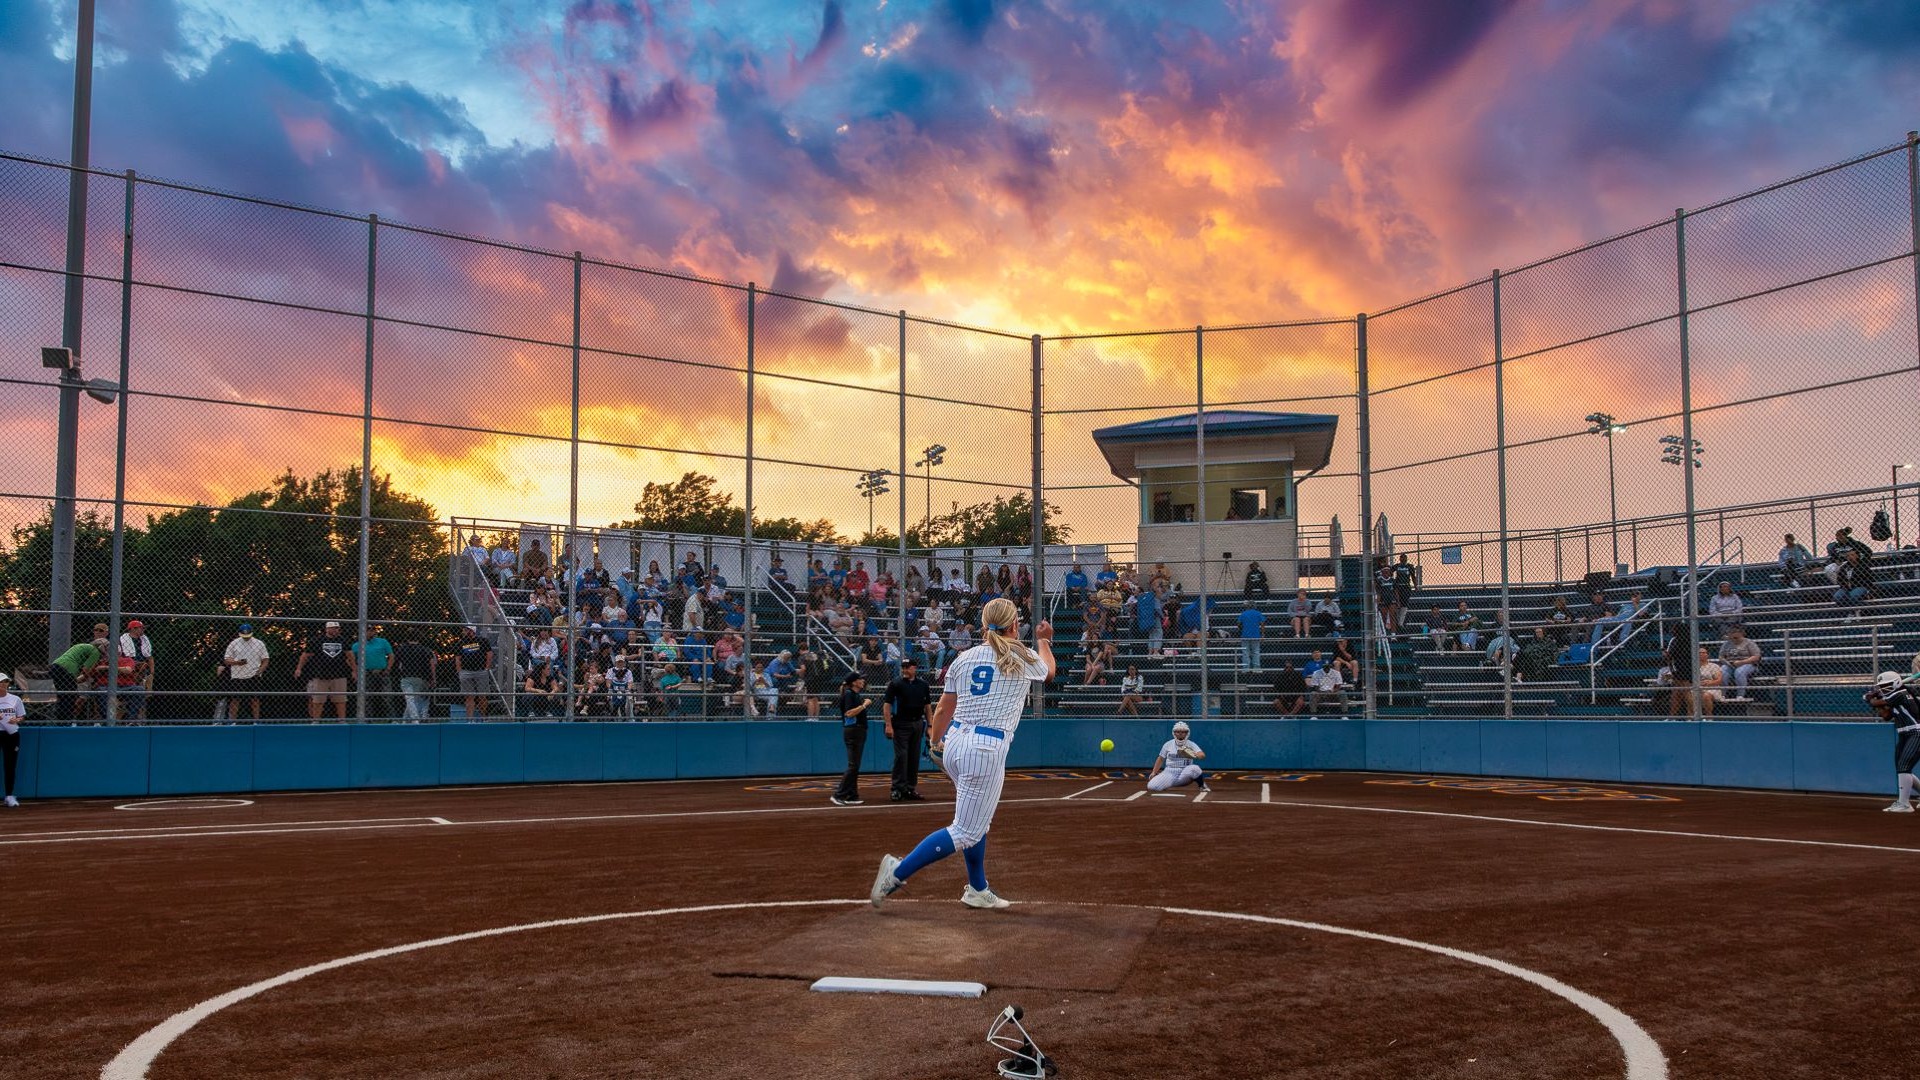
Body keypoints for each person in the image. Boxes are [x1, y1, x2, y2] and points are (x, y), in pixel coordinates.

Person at [870, 597, 1055, 912]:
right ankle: (897, 872)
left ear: (983, 627)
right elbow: (1049, 672)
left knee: (975, 821)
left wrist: (934, 742)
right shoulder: (1022, 655)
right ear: (1014, 626)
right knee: (966, 830)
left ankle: (978, 887)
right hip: (985, 749)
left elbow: (943, 707)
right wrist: (1043, 641)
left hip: (956, 742)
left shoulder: (963, 657)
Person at [1865, 671, 1920, 812]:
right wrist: (1875, 702)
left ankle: (1904, 804)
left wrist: (1870, 698)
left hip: (1916, 732)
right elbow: (1886, 716)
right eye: (1882, 686)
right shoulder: (1893, 696)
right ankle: (1904, 802)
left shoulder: (1901, 693)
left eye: (1888, 686)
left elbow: (1880, 701)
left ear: (1896, 683)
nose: (1885, 689)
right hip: (1904, 733)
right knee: (1901, 768)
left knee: (1904, 765)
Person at [884, 658, 932, 802]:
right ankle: (897, 788)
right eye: (903, 667)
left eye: (907, 667)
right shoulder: (896, 684)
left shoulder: (923, 685)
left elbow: (928, 707)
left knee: (913, 757)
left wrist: (930, 725)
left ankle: (910, 788)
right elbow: (887, 705)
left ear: (914, 668)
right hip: (901, 724)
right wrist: (888, 725)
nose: (905, 670)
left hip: (917, 723)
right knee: (901, 757)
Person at [295, 620, 355, 720]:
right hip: (320, 675)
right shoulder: (318, 640)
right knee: (318, 700)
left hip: (339, 674)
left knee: (340, 700)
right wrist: (299, 668)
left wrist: (354, 670)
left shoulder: (343, 641)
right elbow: (305, 655)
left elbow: (350, 656)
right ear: (327, 629)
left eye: (337, 628)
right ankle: (316, 721)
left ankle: (342, 721)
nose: (336, 630)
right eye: (333, 628)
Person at [831, 674, 873, 806]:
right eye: (860, 679)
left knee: (855, 766)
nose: (863, 681)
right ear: (854, 682)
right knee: (853, 765)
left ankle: (852, 795)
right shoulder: (849, 694)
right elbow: (848, 713)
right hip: (853, 731)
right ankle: (839, 794)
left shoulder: (853, 694)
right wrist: (864, 705)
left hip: (857, 730)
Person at [215, 623, 270, 721]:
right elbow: (226, 660)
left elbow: (266, 659)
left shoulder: (259, 643)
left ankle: (256, 722)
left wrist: (260, 670)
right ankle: (232, 722)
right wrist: (237, 662)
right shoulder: (234, 643)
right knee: (235, 699)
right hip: (237, 675)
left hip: (254, 675)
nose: (246, 638)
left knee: (255, 699)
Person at [48, 635, 105, 723]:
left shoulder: (83, 645)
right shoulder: (95, 652)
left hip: (55, 666)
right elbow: (85, 669)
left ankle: (59, 720)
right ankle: (66, 721)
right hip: (68, 670)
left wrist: (76, 680)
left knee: (63, 695)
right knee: (70, 697)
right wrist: (87, 677)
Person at [1146, 720, 1209, 792]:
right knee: (1151, 786)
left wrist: (1194, 754)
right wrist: (1154, 772)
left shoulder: (1190, 744)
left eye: (1183, 732)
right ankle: (1165, 783)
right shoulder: (1168, 744)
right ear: (1174, 733)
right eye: (1178, 732)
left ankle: (1202, 786)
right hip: (1169, 773)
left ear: (1187, 733)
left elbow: (1202, 755)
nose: (1180, 734)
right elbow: (1160, 758)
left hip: (1184, 774)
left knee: (1195, 768)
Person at [353, 625, 395, 719]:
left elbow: (391, 655)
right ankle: (366, 719)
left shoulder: (382, 642)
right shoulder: (357, 645)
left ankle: (391, 719)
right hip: (366, 673)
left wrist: (388, 668)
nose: (371, 632)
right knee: (366, 697)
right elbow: (350, 659)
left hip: (382, 672)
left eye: (372, 630)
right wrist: (355, 670)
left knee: (386, 696)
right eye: (368, 630)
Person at [117, 620, 155, 722]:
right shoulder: (122, 640)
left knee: (143, 696)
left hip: (143, 670)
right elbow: (120, 656)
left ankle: (139, 719)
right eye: (140, 628)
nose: (143, 630)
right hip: (129, 670)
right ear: (133, 629)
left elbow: (150, 657)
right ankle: (123, 719)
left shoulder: (144, 640)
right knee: (125, 698)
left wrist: (151, 672)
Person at [394, 636, 438, 721]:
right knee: (413, 699)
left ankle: (415, 719)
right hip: (420, 677)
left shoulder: (403, 649)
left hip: (408, 676)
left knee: (411, 698)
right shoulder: (425, 650)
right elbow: (432, 665)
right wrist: (432, 678)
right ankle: (405, 720)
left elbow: (398, 664)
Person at [455, 625, 494, 719]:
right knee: (469, 697)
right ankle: (470, 719)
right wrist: (459, 671)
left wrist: (486, 668)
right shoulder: (461, 643)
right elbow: (457, 658)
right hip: (466, 671)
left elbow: (489, 654)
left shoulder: (482, 641)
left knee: (482, 696)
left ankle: (483, 717)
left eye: (465, 630)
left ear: (471, 631)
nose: (463, 632)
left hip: (480, 671)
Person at [1719, 626, 1761, 701]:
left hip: (1748, 664)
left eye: (1736, 638)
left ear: (1742, 634)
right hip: (1730, 664)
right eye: (1731, 638)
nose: (1733, 640)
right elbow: (1721, 657)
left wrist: (1742, 662)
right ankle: (1722, 694)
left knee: (1739, 672)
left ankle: (1740, 695)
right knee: (1722, 671)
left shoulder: (1749, 642)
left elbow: (1756, 656)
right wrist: (1727, 662)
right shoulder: (1726, 644)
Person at [0, 674, 22, 807]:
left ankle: (9, 796)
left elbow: (21, 716)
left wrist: (16, 720)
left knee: (10, 765)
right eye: (1, 682)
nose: (3, 684)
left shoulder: (15, 699)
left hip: (11, 735)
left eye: (6, 681)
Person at [1695, 646, 1726, 718]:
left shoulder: (1713, 666)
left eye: (1703, 653)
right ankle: (1692, 716)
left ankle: (1709, 716)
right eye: (1699, 653)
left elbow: (1719, 680)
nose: (1701, 654)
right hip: (1697, 687)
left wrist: (1709, 683)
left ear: (1707, 655)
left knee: (1706, 695)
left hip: (1712, 688)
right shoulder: (1693, 667)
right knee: (1688, 694)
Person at [1237, 603, 1266, 669]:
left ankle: (1246, 668)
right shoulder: (1258, 613)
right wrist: (1263, 634)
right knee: (1256, 652)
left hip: (1245, 635)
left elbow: (1238, 624)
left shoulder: (1244, 613)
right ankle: (1256, 668)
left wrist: (1242, 629)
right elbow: (1262, 624)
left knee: (1245, 652)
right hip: (1255, 634)